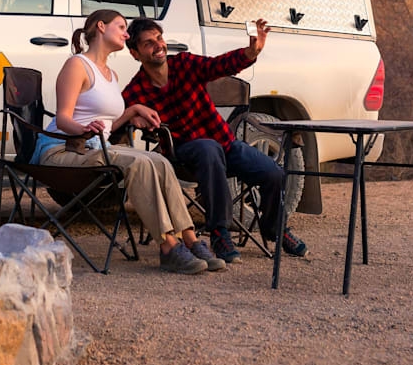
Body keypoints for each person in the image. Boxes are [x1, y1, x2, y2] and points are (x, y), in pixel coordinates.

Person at [31, 9, 225, 274]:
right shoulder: (77, 65)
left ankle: (189, 237)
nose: (126, 33)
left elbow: (108, 122)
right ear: (101, 27)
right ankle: (168, 245)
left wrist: (134, 110)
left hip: (96, 149)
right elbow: (64, 119)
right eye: (121, 27)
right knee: (139, 163)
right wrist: (85, 128)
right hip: (62, 150)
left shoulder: (111, 74)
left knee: (158, 161)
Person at [122, 17, 308, 264]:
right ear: (135, 53)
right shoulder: (135, 91)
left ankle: (275, 228)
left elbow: (219, 66)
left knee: (272, 172)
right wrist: (133, 116)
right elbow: (119, 118)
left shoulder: (185, 64)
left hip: (224, 145)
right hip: (182, 155)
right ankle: (219, 232)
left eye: (159, 38)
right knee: (207, 148)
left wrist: (250, 52)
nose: (158, 45)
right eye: (148, 43)